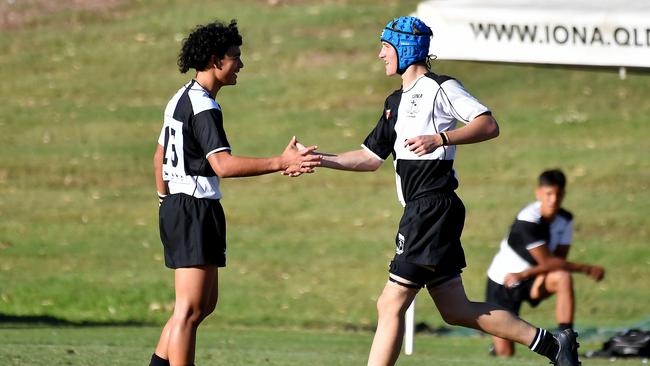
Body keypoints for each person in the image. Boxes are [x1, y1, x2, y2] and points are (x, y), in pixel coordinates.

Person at [301, 16, 581, 366]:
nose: (379, 55)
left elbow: (487, 123)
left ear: (404, 49)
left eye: (385, 47)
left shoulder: (441, 88)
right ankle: (554, 345)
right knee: (455, 308)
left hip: (430, 207)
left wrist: (442, 137)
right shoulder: (394, 102)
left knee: (390, 303)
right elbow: (370, 158)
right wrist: (318, 158)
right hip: (425, 210)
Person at [149, 20, 320, 366]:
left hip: (184, 207)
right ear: (215, 59)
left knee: (203, 304)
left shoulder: (180, 98)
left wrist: (166, 202)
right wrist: (280, 162)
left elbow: (158, 157)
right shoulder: (204, 107)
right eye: (235, 56)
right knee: (189, 309)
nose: (240, 64)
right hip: (191, 208)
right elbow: (223, 166)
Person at [485, 169, 605, 357]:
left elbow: (558, 262)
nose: (553, 199)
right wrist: (587, 269)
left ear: (564, 194)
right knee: (505, 354)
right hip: (503, 282)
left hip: (532, 279)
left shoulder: (565, 219)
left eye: (558, 194)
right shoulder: (528, 219)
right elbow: (549, 261)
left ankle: (567, 341)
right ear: (539, 193)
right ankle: (497, 349)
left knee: (562, 277)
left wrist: (525, 275)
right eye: (549, 194)